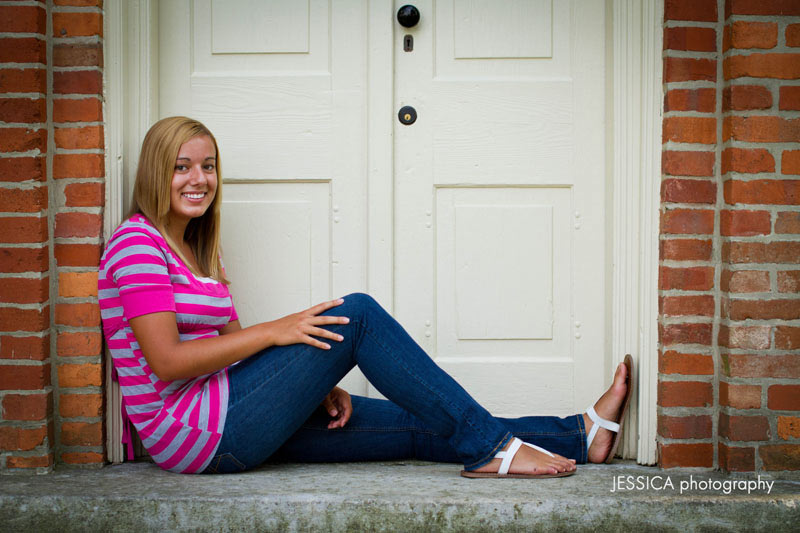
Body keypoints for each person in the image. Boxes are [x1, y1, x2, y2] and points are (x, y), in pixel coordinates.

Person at [99, 116, 633, 477]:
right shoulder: (136, 245)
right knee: (355, 314)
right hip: (197, 434)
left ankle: (580, 436)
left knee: (414, 422)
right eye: (182, 166)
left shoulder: (198, 249)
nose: (199, 179)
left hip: (233, 410)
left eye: (208, 165)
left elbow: (232, 343)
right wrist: (280, 331)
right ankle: (492, 450)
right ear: (156, 171)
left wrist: (307, 382)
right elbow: (166, 362)